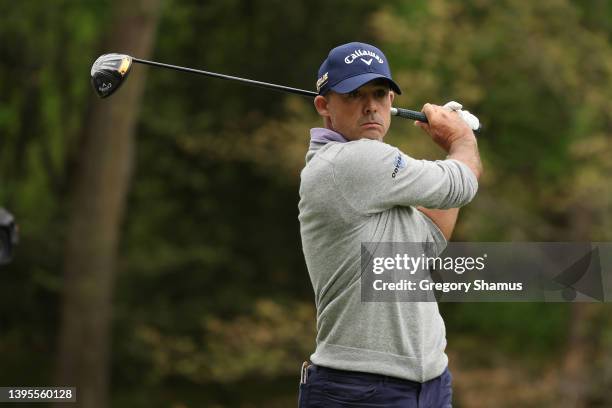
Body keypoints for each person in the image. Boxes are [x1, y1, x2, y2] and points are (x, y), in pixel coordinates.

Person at [297, 42, 482, 407]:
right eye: (354, 94)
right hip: (361, 389)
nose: (370, 106)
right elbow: (462, 183)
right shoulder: (348, 163)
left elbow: (430, 236)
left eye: (379, 93)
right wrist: (460, 138)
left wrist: (452, 151)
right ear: (324, 106)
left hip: (429, 384)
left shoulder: (376, 181)